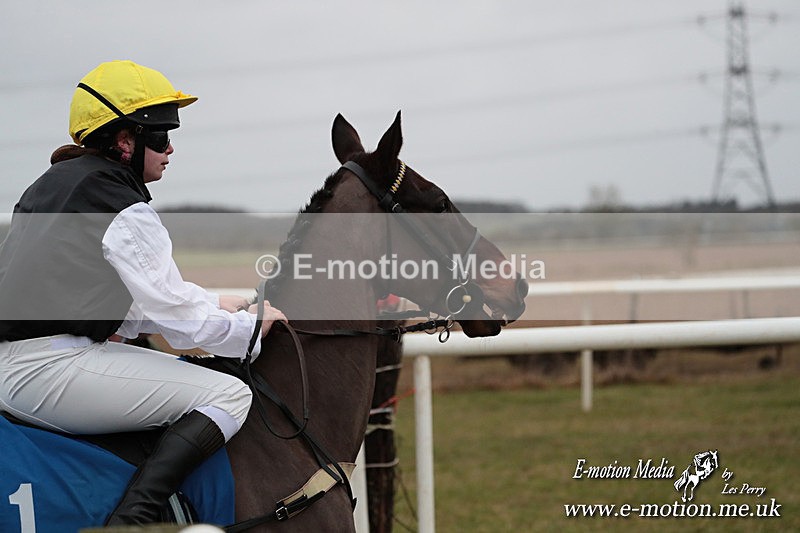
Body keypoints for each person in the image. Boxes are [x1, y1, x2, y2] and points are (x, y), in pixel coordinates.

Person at [0, 60, 286, 525]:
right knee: (231, 395)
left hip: (20, 365)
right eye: (160, 135)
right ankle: (136, 517)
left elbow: (110, 304)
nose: (170, 147)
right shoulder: (121, 202)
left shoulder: (49, 187)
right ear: (123, 140)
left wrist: (216, 303)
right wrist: (249, 333)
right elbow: (174, 315)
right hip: (50, 370)